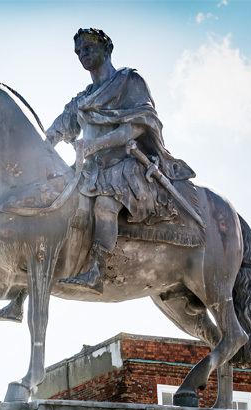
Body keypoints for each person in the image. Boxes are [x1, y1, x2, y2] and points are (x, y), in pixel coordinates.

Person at [46, 28, 195, 294]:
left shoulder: (129, 81)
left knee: (105, 204)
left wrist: (94, 145)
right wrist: (41, 146)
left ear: (107, 49)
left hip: (125, 165)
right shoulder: (83, 98)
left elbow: (135, 128)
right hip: (89, 169)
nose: (83, 54)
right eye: (79, 51)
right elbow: (61, 126)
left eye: (89, 47)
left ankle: (96, 273)